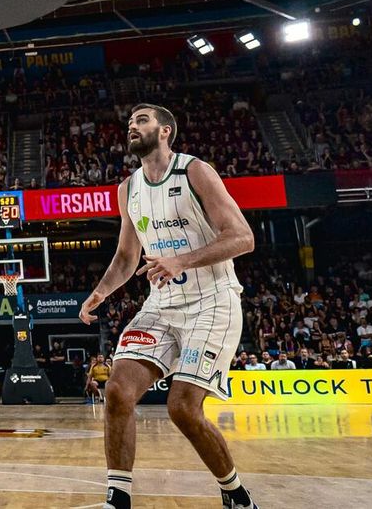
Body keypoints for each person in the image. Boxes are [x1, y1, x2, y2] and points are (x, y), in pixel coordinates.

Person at [78, 104, 259, 509]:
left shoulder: (195, 171)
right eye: (129, 122)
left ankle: (236, 494)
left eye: (142, 120)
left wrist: (180, 260)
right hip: (162, 304)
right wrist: (101, 292)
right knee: (118, 391)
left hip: (212, 301)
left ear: (165, 131)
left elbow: (243, 237)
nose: (132, 126)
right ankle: (118, 497)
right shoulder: (128, 188)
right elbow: (127, 257)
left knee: (182, 407)